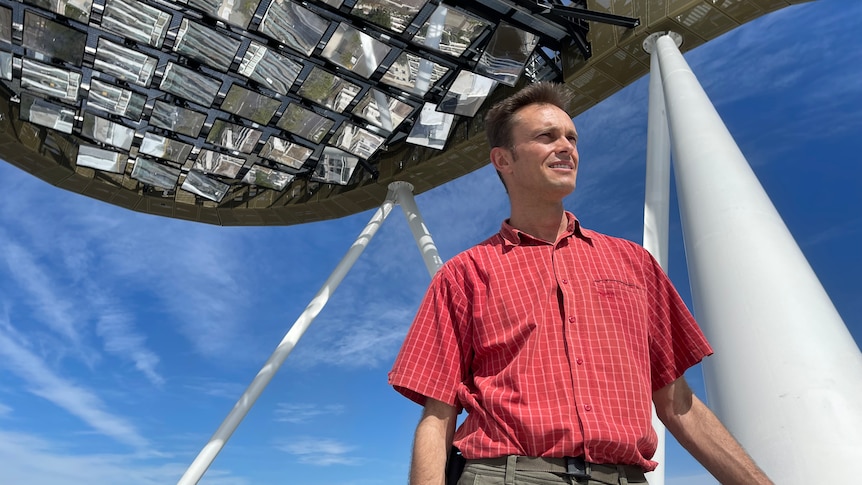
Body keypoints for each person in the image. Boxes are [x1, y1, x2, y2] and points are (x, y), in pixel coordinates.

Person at [388, 82, 772, 485]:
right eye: (546, 136)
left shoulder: (634, 263)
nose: (566, 147)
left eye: (572, 137)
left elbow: (679, 404)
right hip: (509, 474)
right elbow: (438, 415)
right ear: (503, 159)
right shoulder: (464, 274)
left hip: (624, 476)